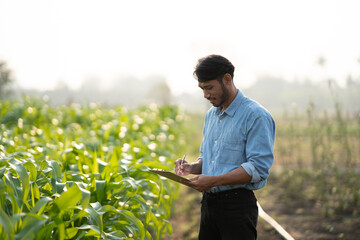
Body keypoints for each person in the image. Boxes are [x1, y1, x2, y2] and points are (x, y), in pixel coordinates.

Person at [175, 54, 275, 240]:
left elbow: (258, 169)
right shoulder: (211, 116)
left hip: (237, 208)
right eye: (202, 89)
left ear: (227, 79)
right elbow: (209, 159)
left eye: (209, 87)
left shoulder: (256, 116)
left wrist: (213, 181)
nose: (205, 95)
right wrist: (192, 167)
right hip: (209, 206)